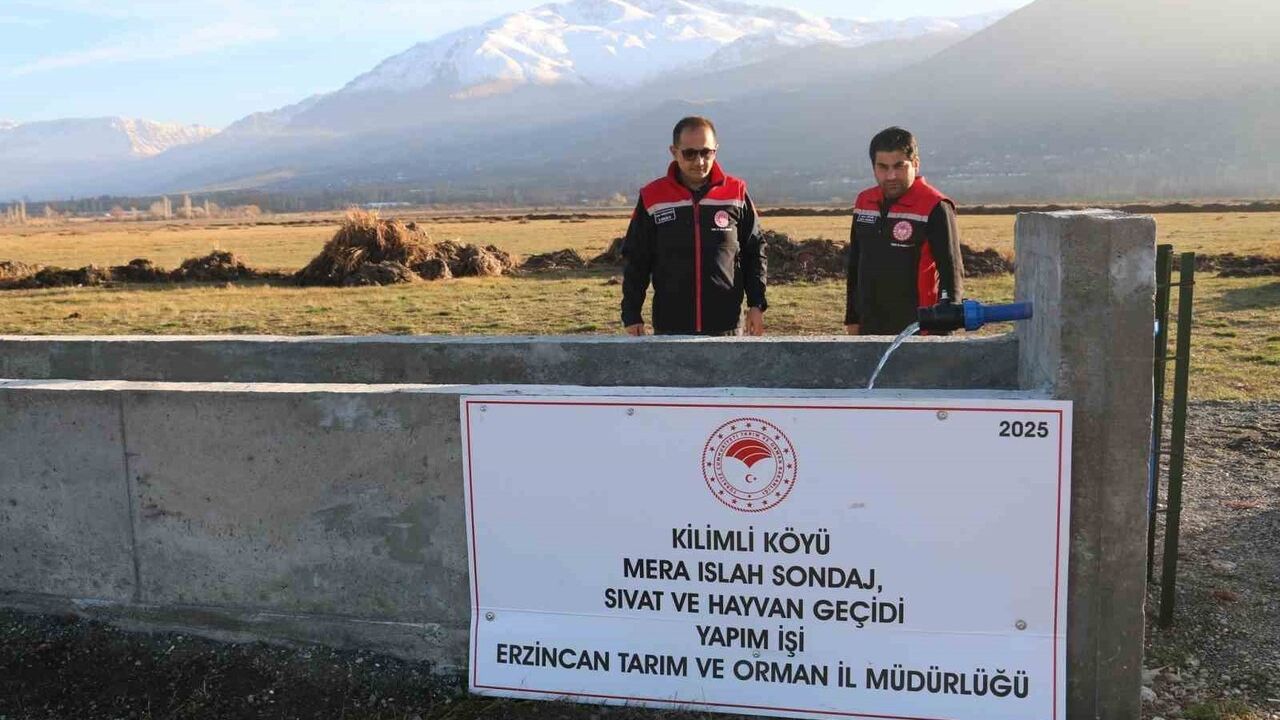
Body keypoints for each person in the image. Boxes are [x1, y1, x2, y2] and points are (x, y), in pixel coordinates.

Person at [621, 116, 767, 336]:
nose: (699, 161)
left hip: (726, 326)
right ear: (674, 151)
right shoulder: (653, 197)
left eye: (706, 152)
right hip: (670, 326)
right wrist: (631, 314)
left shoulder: (736, 193)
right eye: (689, 153)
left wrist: (757, 304)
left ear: (715, 151)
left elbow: (754, 252)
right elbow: (637, 259)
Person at [845, 127, 964, 336]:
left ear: (915, 164)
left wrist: (945, 323)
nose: (891, 176)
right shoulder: (864, 201)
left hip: (919, 327)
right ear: (873, 167)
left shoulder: (935, 206)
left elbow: (951, 269)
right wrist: (852, 318)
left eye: (899, 166)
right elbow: (855, 263)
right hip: (870, 326)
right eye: (882, 167)